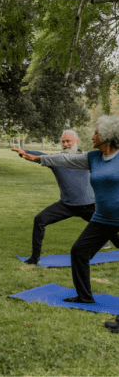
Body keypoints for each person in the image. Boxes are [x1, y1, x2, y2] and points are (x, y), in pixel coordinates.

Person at [20, 115, 119, 303]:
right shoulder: (93, 158)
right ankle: (84, 296)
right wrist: (38, 158)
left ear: (107, 135)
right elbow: (65, 160)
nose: (92, 137)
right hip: (103, 217)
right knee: (79, 252)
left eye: (96, 133)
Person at [12, 129, 119, 264]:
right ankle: (35, 257)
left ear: (76, 142)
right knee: (39, 220)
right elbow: (41, 155)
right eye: (63, 141)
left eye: (68, 141)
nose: (65, 144)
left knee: (110, 230)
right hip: (66, 205)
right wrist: (25, 152)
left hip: (89, 205)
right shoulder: (57, 161)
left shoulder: (87, 158)